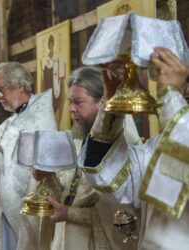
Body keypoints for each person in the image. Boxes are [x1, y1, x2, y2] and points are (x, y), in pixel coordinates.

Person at [78, 48, 189, 249]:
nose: (185, 90)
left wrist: (171, 98)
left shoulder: (179, 136)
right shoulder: (159, 145)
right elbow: (116, 184)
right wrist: (112, 109)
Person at [39, 66, 141, 250]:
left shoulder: (123, 146)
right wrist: (49, 178)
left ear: (102, 102)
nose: (71, 109)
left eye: (78, 102)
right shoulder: (80, 141)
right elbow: (69, 194)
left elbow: (126, 215)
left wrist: (70, 214)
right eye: (70, 102)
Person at [0, 62, 57, 250]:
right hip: (2, 207)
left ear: (20, 85)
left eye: (1, 89)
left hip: (21, 213)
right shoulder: (14, 120)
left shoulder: (37, 120)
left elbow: (27, 170)